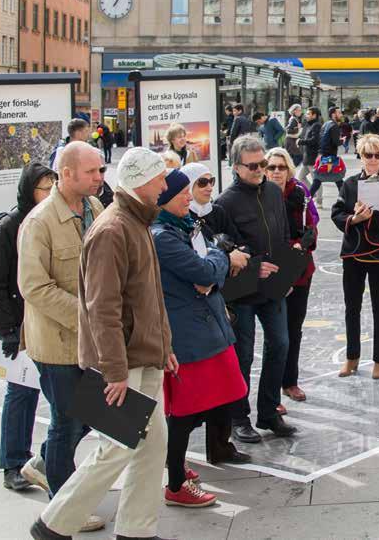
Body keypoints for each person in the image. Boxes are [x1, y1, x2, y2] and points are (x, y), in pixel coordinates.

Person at [29, 147, 176, 540]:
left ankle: (136, 529)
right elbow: (102, 308)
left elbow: (147, 297)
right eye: (160, 178)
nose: (165, 185)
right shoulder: (114, 229)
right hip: (123, 362)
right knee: (116, 448)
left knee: (151, 444)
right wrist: (113, 371)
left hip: (142, 355)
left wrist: (165, 347)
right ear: (142, 182)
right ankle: (53, 524)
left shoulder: (135, 220)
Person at [18, 144, 106, 531]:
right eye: (91, 172)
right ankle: (61, 509)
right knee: (67, 422)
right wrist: (86, 318)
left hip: (94, 340)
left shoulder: (96, 209)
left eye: (101, 170)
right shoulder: (39, 223)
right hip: (58, 343)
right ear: (66, 174)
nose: (100, 177)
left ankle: (43, 463)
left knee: (95, 415)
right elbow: (34, 287)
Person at [152, 169, 249, 509]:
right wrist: (222, 255)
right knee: (185, 409)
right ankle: (175, 481)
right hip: (188, 335)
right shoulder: (163, 235)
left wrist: (213, 262)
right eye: (183, 193)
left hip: (206, 327)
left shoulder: (181, 226)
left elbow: (207, 273)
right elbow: (204, 272)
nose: (189, 197)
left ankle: (172, 460)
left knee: (224, 395)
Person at [216, 135, 297, 441]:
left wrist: (286, 275)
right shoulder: (225, 202)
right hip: (243, 290)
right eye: (253, 166)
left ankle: (268, 412)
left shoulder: (274, 193)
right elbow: (224, 249)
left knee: (280, 344)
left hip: (273, 285)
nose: (260, 170)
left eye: (262, 163)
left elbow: (283, 236)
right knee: (244, 355)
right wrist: (253, 266)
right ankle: (239, 417)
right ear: (236, 167)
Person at [0, 163, 56, 492]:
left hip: (44, 319)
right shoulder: (11, 225)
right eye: (44, 188)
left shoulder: (50, 219)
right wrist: (7, 330)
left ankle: (41, 460)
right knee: (22, 392)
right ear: (29, 190)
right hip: (18, 323)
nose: (49, 194)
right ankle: (13, 462)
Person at [332, 134, 379, 380]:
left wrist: (372, 218)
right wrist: (354, 219)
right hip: (354, 252)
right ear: (361, 156)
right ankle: (352, 357)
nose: (373, 159)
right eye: (368, 155)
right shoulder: (350, 183)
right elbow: (337, 214)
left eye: (378, 155)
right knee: (351, 307)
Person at [264, 147, 319, 404]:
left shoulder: (300, 191)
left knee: (294, 329)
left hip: (299, 270)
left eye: (281, 167)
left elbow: (312, 224)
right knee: (276, 336)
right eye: (271, 167)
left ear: (289, 168)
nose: (276, 171)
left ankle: (290, 381)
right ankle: (271, 394)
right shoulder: (260, 194)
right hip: (272, 271)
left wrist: (306, 241)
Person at [310, 106, 346, 204]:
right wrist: (342, 141)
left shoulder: (326, 124)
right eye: (339, 113)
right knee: (337, 178)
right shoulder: (334, 126)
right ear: (333, 114)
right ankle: (345, 199)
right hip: (330, 157)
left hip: (322, 155)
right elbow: (335, 142)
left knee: (318, 179)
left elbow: (321, 139)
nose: (341, 115)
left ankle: (308, 198)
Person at [296, 106, 322, 195]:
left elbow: (315, 140)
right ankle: (313, 193)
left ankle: (319, 200)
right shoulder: (308, 124)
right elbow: (303, 136)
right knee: (300, 177)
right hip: (306, 156)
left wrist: (301, 142)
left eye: (308, 113)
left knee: (316, 179)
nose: (306, 115)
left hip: (312, 157)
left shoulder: (317, 125)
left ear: (314, 115)